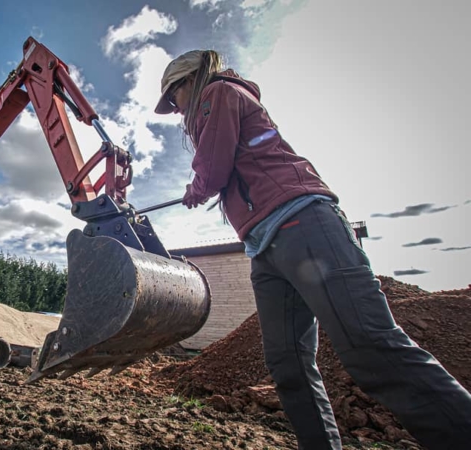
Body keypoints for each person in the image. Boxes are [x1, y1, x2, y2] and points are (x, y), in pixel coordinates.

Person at [154, 50, 471, 449]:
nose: (175, 108)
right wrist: (201, 187)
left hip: (304, 225)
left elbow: (213, 167)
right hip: (266, 247)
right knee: (287, 364)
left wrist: (195, 191)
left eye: (173, 97)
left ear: (188, 82)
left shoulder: (217, 94)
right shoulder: (211, 106)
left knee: (370, 346)